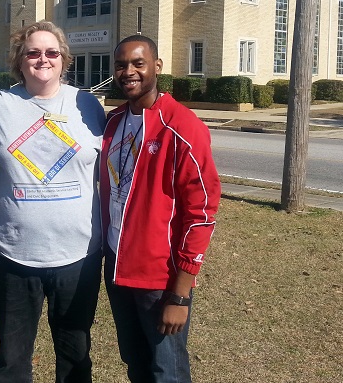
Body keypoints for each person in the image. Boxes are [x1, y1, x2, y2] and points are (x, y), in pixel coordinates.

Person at [0, 20, 106, 383]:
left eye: (52, 52)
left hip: (78, 255)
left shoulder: (87, 105)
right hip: (14, 256)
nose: (43, 59)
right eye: (33, 52)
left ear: (64, 59)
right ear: (19, 60)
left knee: (75, 355)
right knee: (12, 360)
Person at [99, 35, 221, 383]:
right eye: (121, 65)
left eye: (138, 63)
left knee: (166, 371)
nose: (129, 72)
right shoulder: (114, 121)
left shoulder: (182, 126)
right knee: (136, 364)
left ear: (157, 66)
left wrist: (180, 295)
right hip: (118, 269)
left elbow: (201, 213)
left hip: (159, 279)